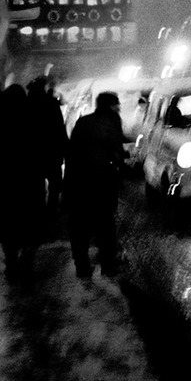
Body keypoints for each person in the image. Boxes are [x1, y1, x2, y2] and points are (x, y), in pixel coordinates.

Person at [63, 91, 126, 279]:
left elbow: (72, 152)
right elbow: (117, 151)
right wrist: (119, 171)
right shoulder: (112, 122)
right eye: (116, 103)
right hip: (103, 182)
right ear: (110, 105)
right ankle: (108, 266)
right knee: (105, 225)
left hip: (79, 182)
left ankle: (82, 267)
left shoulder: (84, 122)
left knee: (80, 226)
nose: (119, 107)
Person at [0, 83, 47, 284]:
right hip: (32, 182)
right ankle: (28, 262)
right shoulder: (35, 119)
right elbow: (45, 148)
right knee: (31, 223)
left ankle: (12, 264)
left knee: (8, 225)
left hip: (6, 183)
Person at [27, 76, 68, 222]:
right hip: (52, 150)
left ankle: (37, 211)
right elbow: (59, 127)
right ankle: (51, 210)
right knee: (54, 183)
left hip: (33, 152)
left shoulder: (26, 104)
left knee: (36, 183)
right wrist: (65, 147)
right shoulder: (51, 103)